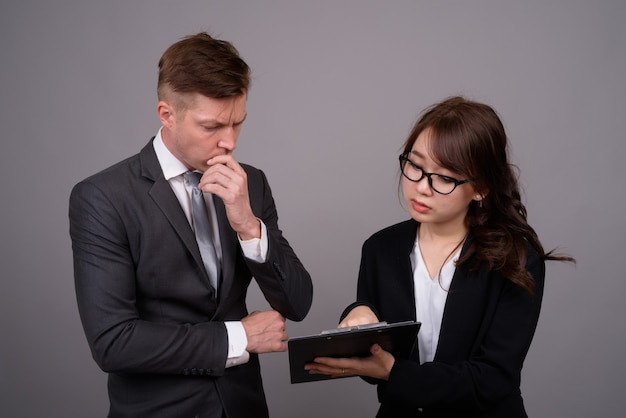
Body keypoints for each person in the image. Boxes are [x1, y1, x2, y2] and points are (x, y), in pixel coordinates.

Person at [69, 32, 313, 418]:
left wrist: (249, 225)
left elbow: (297, 304)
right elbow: (113, 342)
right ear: (167, 114)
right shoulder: (103, 198)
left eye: (237, 123)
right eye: (212, 127)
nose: (229, 142)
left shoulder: (252, 182)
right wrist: (239, 337)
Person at [305, 96, 574, 417]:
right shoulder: (380, 248)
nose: (422, 187)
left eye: (445, 177)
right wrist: (360, 313)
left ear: (480, 189)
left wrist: (395, 372)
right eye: (415, 166)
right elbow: (376, 364)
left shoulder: (515, 258)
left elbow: (493, 379)